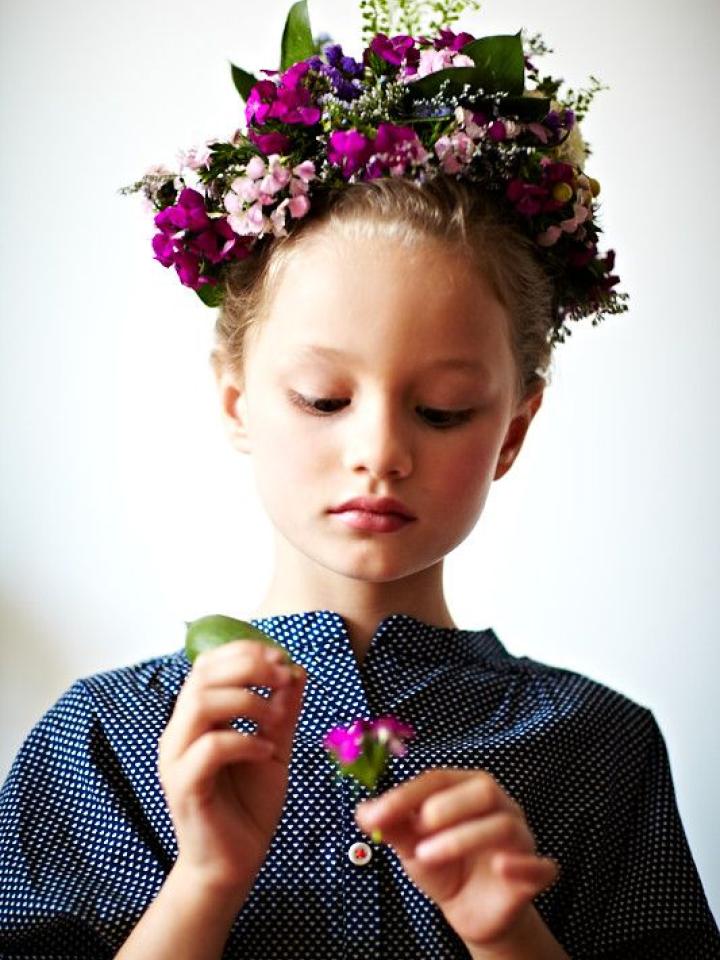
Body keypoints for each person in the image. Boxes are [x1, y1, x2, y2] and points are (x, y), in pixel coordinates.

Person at [1, 4, 719, 959]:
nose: (380, 451)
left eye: (445, 410)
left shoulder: (601, 748)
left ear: (514, 430)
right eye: (321, 397)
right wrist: (204, 881)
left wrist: (508, 933)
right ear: (235, 401)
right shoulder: (100, 743)